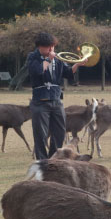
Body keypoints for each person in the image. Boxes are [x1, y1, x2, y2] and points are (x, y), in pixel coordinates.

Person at [27, 32, 85, 160]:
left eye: (52, 47)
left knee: (59, 132)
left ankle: (54, 159)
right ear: (39, 47)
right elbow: (37, 71)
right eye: (48, 47)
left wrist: (78, 64)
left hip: (56, 100)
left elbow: (68, 72)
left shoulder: (57, 58)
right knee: (40, 134)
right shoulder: (32, 57)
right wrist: (48, 59)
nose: (51, 50)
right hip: (40, 101)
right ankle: (42, 162)